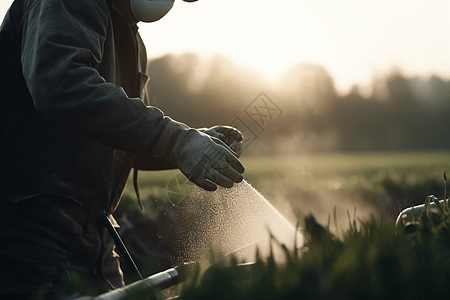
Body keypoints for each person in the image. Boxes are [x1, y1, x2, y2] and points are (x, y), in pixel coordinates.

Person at [0, 0, 244, 298]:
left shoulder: (129, 35)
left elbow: (118, 135)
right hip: (30, 236)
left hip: (94, 238)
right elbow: (59, 84)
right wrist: (174, 139)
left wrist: (192, 142)